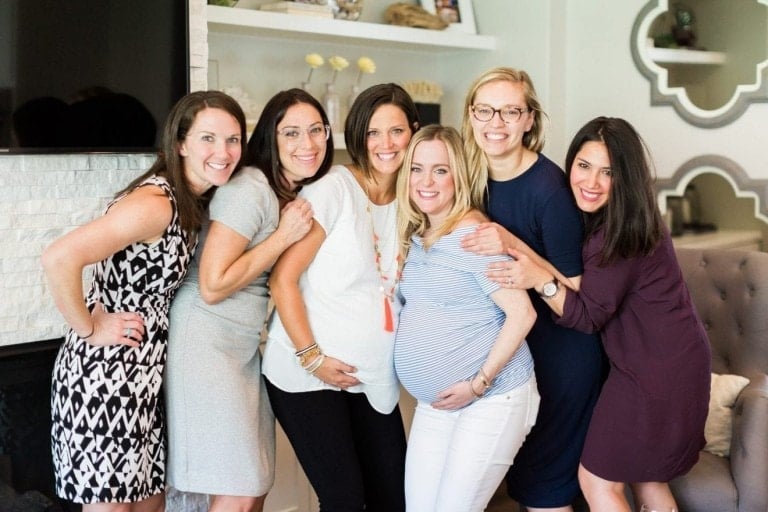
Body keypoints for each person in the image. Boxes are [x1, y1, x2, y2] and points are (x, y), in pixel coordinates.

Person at [42, 90, 247, 511]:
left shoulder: (190, 200)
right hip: (105, 379)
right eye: (208, 138)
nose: (223, 152)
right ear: (181, 143)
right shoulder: (156, 205)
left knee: (151, 505)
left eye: (233, 140)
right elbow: (59, 257)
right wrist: (90, 327)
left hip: (144, 381)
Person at [495, 116, 711, 512]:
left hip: (655, 372)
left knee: (597, 481)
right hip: (669, 361)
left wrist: (539, 278)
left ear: (625, 178)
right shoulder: (624, 218)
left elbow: (587, 316)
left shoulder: (621, 232)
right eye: (583, 166)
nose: (591, 182)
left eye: (607, 172)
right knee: (648, 482)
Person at [164, 88, 332, 512]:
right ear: (270, 140)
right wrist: (282, 238)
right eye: (291, 133)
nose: (306, 144)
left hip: (240, 347)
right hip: (206, 340)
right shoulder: (249, 188)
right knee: (240, 489)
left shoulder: (289, 194)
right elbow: (212, 284)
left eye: (315, 131)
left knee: (254, 483)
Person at [261, 83, 420, 512]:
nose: (385, 144)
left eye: (396, 131)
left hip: (370, 376)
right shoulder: (333, 189)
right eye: (372, 133)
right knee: (345, 501)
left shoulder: (414, 199)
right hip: (307, 374)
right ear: (356, 137)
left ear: (414, 133)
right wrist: (313, 358)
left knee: (394, 496)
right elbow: (283, 280)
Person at [460, 66, 606, 512]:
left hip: (563, 356)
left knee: (545, 489)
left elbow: (577, 292)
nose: (496, 123)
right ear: (470, 115)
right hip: (512, 352)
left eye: (510, 111)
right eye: (485, 110)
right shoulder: (469, 176)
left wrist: (514, 245)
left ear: (529, 119)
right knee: (521, 481)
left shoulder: (551, 191)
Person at [393, 125, 540, 512]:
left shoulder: (473, 236)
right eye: (417, 169)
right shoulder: (420, 233)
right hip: (437, 404)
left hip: (492, 396)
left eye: (440, 170)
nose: (426, 181)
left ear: (460, 176)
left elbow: (523, 314)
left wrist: (478, 383)